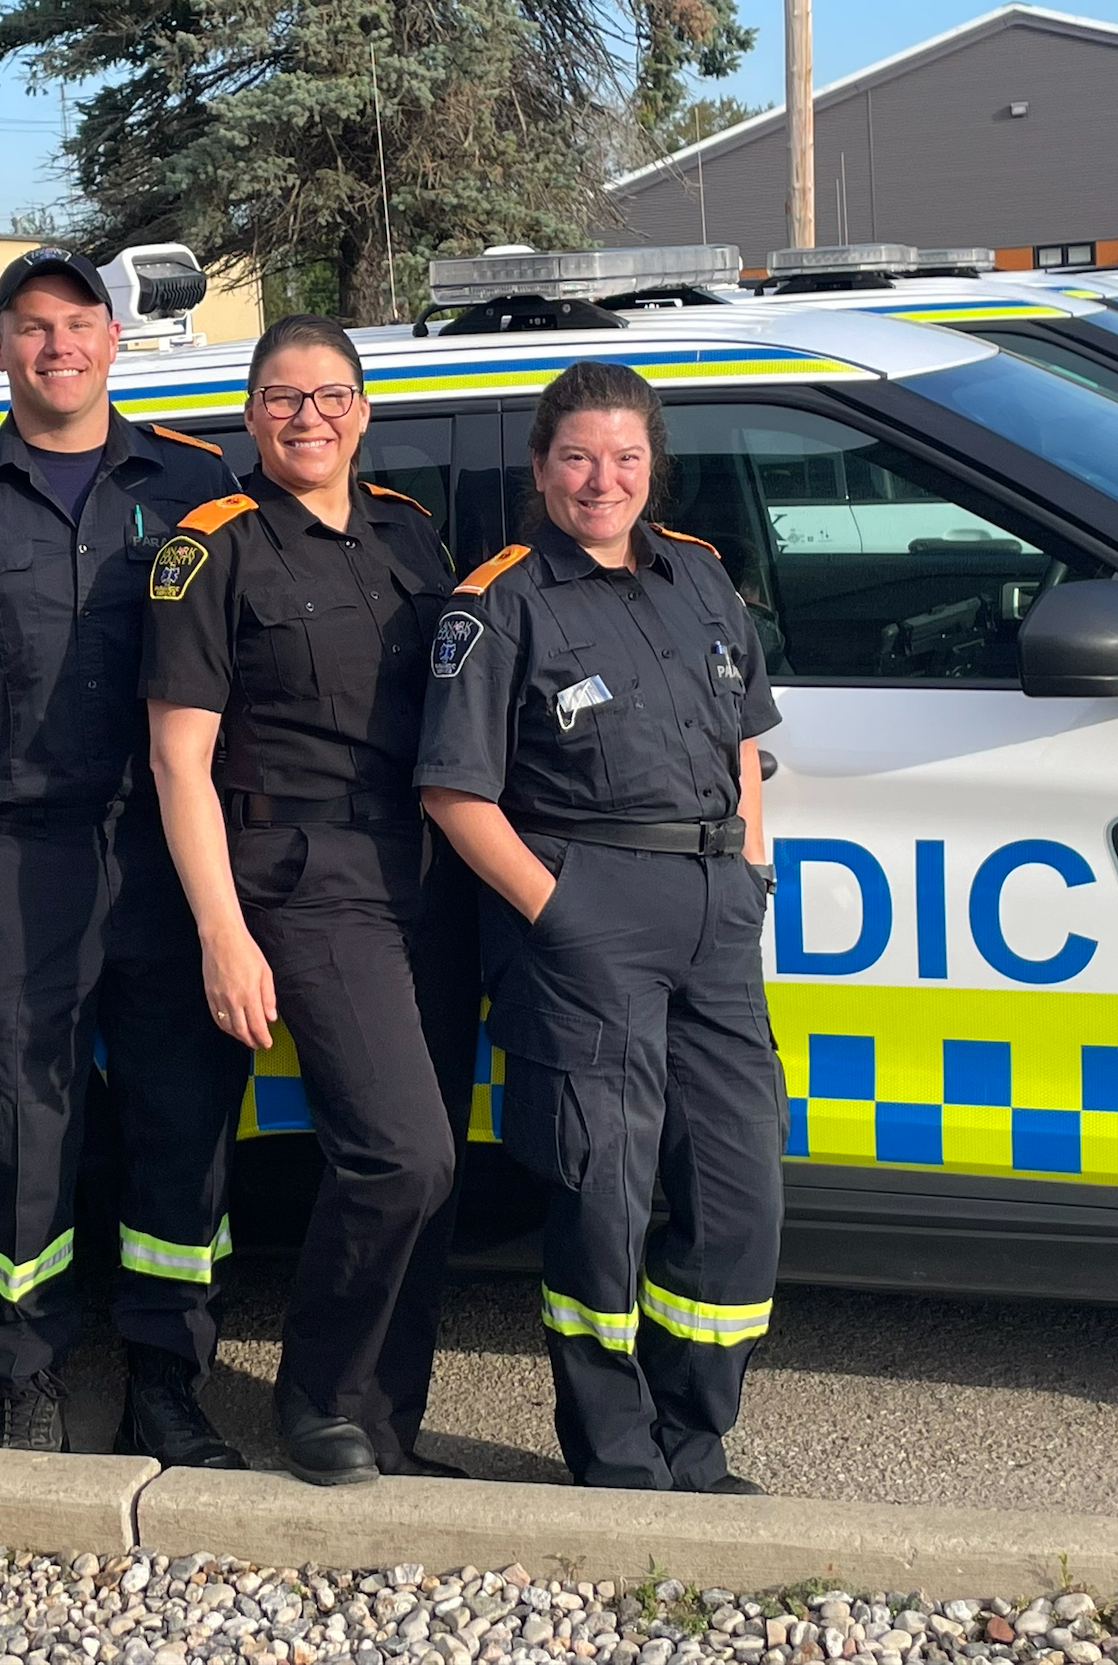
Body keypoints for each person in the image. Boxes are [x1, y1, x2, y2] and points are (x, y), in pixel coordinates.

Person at [0, 247, 253, 1462]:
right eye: (32, 328)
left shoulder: (198, 481)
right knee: (20, 1130)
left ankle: (166, 1379)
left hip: (168, 850)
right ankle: (23, 1374)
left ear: (113, 340)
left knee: (181, 1125)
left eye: (79, 324)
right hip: (15, 860)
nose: (58, 346)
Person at [415, 359, 784, 1494]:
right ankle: (615, 1452)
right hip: (587, 918)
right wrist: (558, 913)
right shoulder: (501, 600)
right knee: (600, 1198)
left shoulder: (701, 578)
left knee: (737, 1189)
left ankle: (694, 1433)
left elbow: (745, 741)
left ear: (649, 466)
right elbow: (452, 792)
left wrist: (754, 866)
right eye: (577, 455)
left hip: (715, 910)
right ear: (540, 467)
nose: (601, 478)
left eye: (624, 457)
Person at [141, 313, 480, 1487]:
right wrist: (222, 933)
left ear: (362, 409)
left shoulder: (408, 533)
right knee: (400, 1152)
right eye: (283, 398)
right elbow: (178, 760)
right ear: (250, 414)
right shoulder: (211, 547)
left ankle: (388, 1418)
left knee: (430, 1176)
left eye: (329, 396)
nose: (307, 418)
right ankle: (313, 1394)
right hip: (302, 878)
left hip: (426, 876)